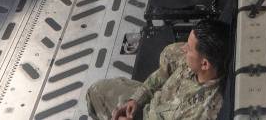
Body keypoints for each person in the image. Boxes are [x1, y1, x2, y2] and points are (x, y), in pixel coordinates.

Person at [86, 19, 230, 120]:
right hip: (151, 104)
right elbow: (161, 74)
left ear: (205, 64)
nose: (184, 48)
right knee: (96, 91)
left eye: (189, 48)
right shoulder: (195, 63)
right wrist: (136, 100)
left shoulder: (202, 112)